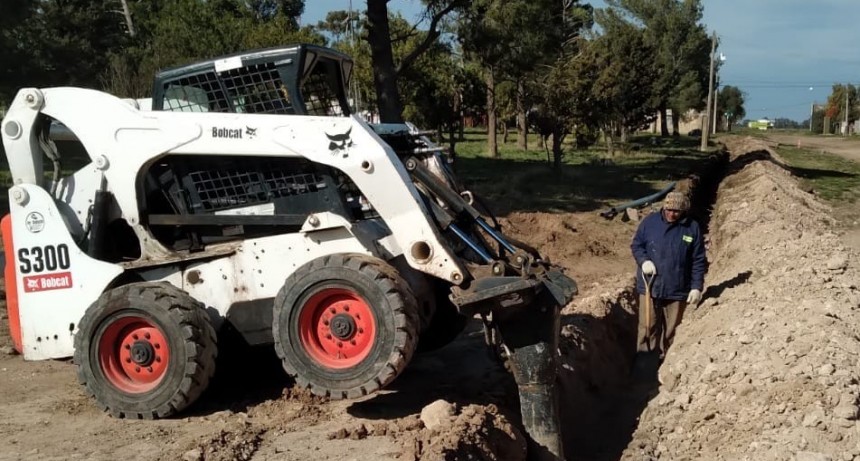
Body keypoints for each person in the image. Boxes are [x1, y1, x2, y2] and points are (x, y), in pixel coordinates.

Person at [631, 191, 706, 362]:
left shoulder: (691, 228)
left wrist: (696, 286)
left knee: (672, 330)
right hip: (650, 286)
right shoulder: (650, 223)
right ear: (664, 208)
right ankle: (645, 361)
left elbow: (698, 259)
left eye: (676, 211)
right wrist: (644, 261)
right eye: (669, 210)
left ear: (683, 211)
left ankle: (668, 363)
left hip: (677, 288)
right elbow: (637, 245)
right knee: (647, 326)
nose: (672, 214)